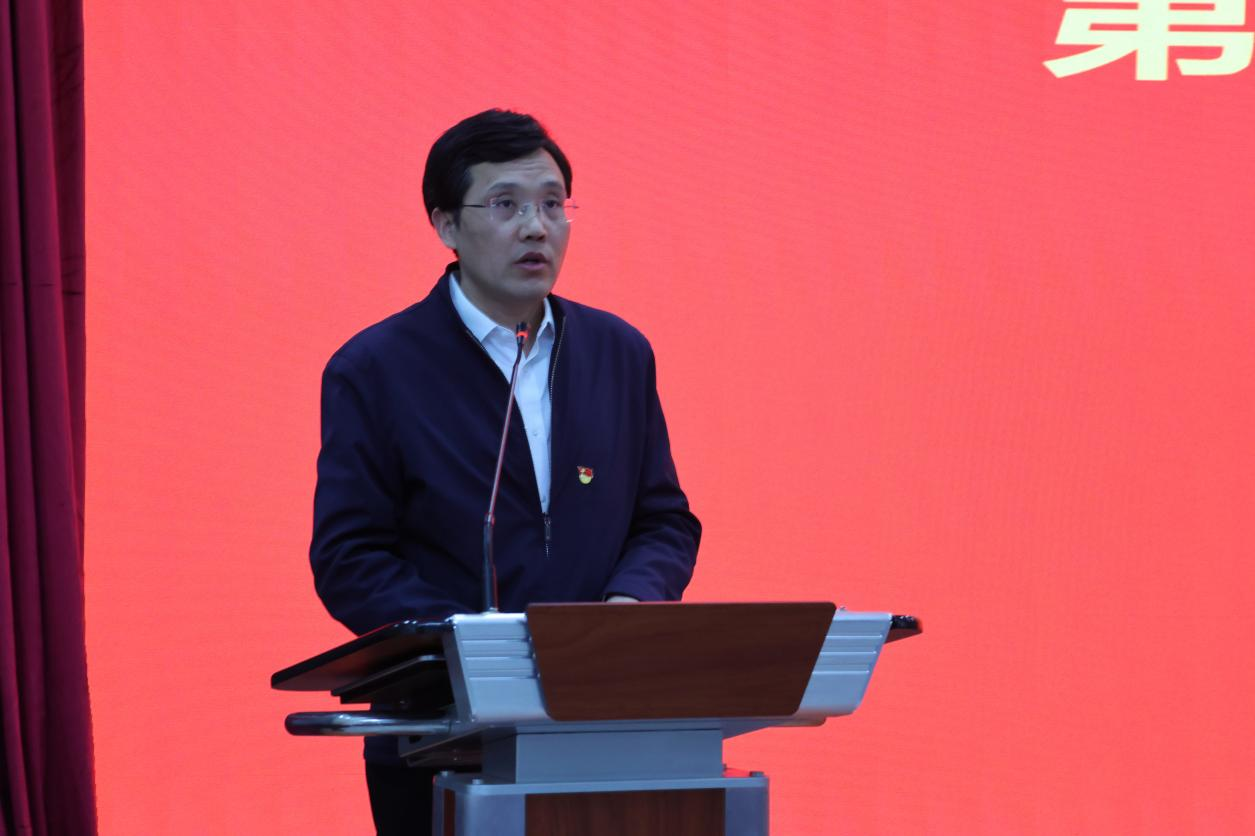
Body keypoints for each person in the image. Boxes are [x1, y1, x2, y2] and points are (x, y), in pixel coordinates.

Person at [308, 109, 702, 835]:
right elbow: (349, 557)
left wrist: (632, 606)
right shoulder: (376, 368)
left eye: (552, 204)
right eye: (506, 205)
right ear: (445, 225)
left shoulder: (618, 353)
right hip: (439, 734)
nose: (535, 227)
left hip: (600, 719)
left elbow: (663, 520)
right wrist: (464, 641)